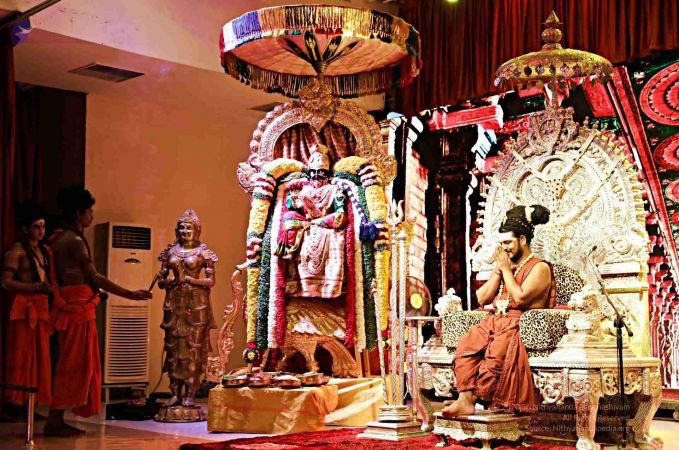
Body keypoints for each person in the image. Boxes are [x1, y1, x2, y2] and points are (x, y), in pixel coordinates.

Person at [44, 185, 152, 436]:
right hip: (76, 310)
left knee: (70, 364)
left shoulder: (61, 239)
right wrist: (130, 293)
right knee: (72, 366)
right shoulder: (73, 241)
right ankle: (55, 419)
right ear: (78, 212)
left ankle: (56, 418)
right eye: (89, 211)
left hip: (76, 307)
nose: (92, 216)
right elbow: (94, 277)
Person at [442, 204, 555, 418]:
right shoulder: (505, 266)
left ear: (523, 240)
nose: (504, 248)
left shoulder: (540, 267)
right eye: (501, 243)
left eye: (508, 242)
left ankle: (472, 400)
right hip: (494, 321)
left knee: (495, 356)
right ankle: (464, 399)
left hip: (518, 324)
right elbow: (482, 298)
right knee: (466, 344)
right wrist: (498, 271)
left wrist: (505, 270)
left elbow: (520, 298)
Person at [157, 208, 217, 409]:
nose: (185, 231)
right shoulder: (170, 251)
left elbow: (210, 281)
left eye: (189, 228)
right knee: (173, 347)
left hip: (196, 303)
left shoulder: (203, 252)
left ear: (197, 230)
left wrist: (190, 279)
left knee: (193, 348)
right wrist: (171, 280)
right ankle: (174, 393)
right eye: (182, 228)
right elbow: (161, 281)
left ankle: (190, 393)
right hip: (174, 303)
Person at [275, 144, 348, 299]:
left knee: (337, 237)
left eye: (321, 174)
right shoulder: (305, 191)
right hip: (305, 224)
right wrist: (293, 200)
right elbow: (292, 205)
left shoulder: (334, 190)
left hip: (326, 226)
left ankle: (328, 287)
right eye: (313, 174)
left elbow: (340, 215)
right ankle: (289, 255)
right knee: (288, 219)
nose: (317, 179)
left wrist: (318, 221)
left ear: (327, 175)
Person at [1, 201, 52, 409]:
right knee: (21, 355)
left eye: (43, 226)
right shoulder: (17, 251)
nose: (41, 231)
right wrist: (37, 287)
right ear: (24, 229)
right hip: (23, 309)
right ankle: (15, 402)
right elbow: (5, 282)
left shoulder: (43, 250)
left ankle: (31, 403)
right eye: (36, 226)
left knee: (40, 356)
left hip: (40, 307)